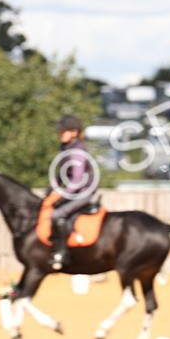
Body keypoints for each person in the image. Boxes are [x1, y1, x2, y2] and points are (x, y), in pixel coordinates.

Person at [49, 115, 99, 271]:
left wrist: (61, 195)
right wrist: (51, 190)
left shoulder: (77, 151)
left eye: (64, 131)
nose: (60, 134)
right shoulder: (66, 148)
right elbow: (63, 174)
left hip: (82, 192)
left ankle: (62, 252)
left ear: (74, 132)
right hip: (74, 191)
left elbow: (76, 180)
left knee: (57, 215)